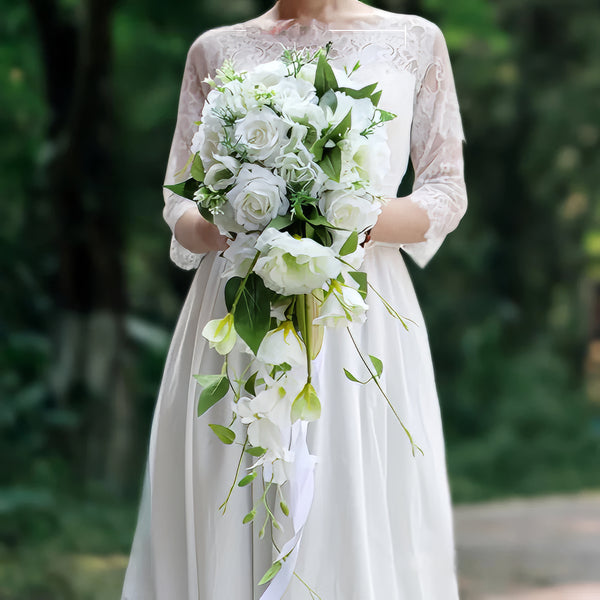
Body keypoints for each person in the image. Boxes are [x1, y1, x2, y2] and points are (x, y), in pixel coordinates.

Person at [121, 0, 468, 598]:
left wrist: (345, 214)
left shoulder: (415, 41)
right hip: (238, 303)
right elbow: (179, 197)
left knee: (350, 486)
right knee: (231, 486)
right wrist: (224, 224)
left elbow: (445, 190)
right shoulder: (214, 49)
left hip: (360, 307)